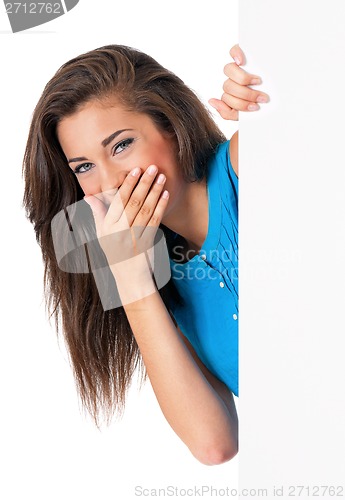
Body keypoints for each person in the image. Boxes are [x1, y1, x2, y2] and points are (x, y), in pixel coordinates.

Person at [22, 43, 268, 465]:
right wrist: (131, 280)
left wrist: (279, 102)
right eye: (84, 167)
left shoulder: (250, 165)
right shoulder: (161, 281)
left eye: (120, 146)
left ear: (171, 124)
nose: (110, 182)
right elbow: (214, 444)